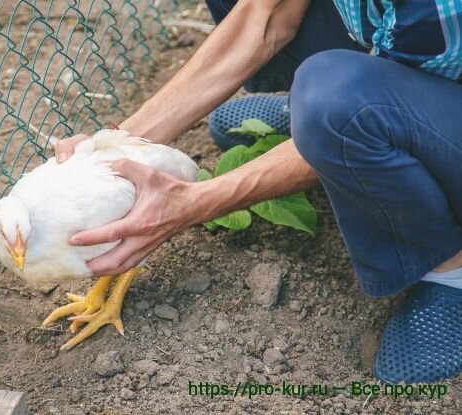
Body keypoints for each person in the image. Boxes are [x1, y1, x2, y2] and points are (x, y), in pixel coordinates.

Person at [55, 0, 462, 384]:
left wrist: (194, 202)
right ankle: (328, 107)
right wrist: (118, 146)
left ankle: (450, 271)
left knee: (337, 102)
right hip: (412, 61)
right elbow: (266, 15)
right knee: (331, 99)